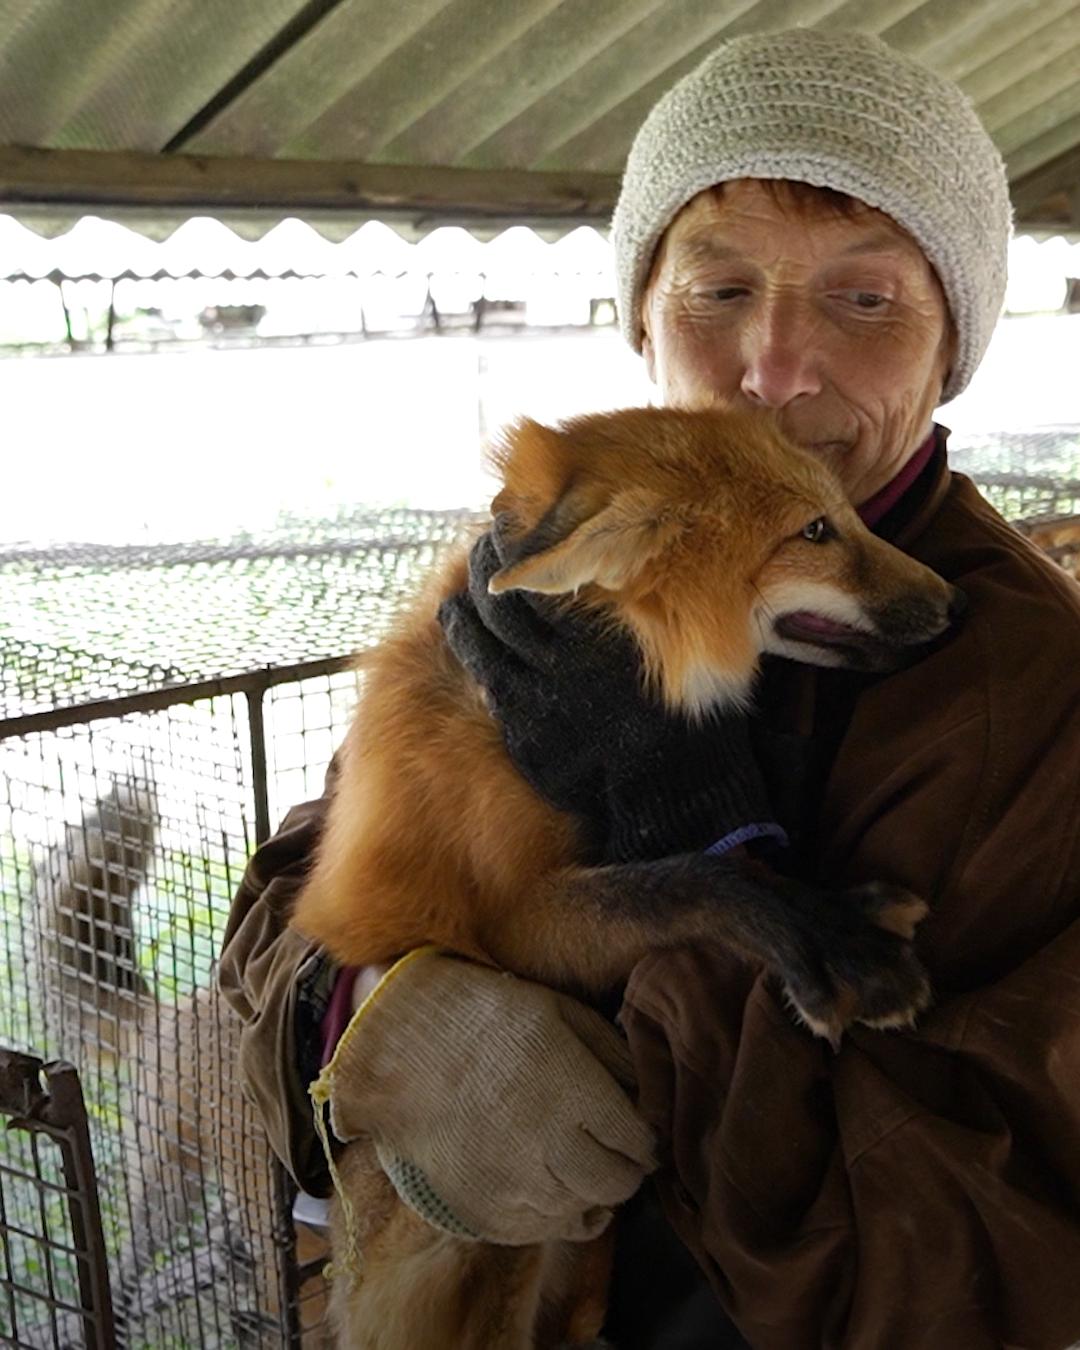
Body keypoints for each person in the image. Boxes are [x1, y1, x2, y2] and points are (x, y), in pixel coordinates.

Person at [219, 28, 1080, 1349]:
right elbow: (295, 901)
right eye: (719, 290)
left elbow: (968, 1256)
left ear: (950, 339)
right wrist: (369, 1017)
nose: (775, 371)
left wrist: (687, 847)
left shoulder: (1032, 689)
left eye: (865, 301)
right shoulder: (552, 563)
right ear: (639, 319)